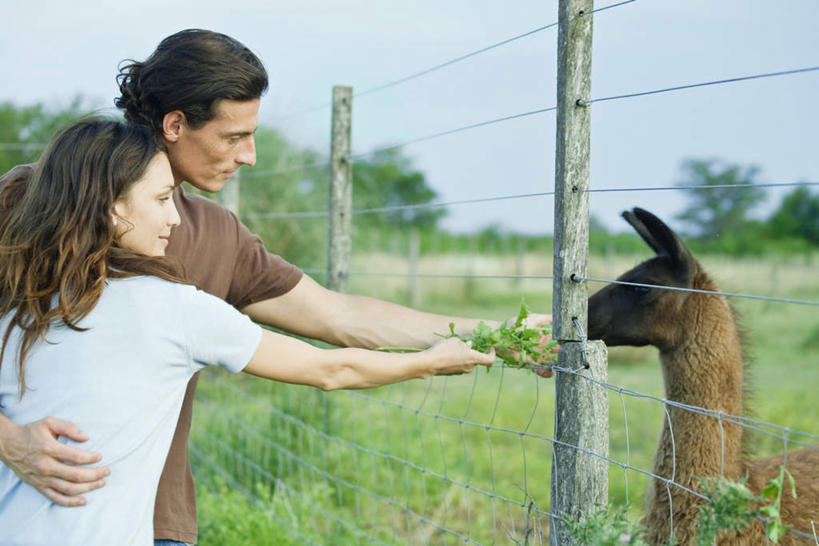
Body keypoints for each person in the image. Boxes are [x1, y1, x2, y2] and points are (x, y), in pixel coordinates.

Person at [0, 29, 553, 545]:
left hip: (154, 520)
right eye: (234, 136)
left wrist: (493, 335)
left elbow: (339, 318)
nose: (249, 156)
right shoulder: (33, 199)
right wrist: (13, 444)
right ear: (175, 125)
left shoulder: (217, 234)